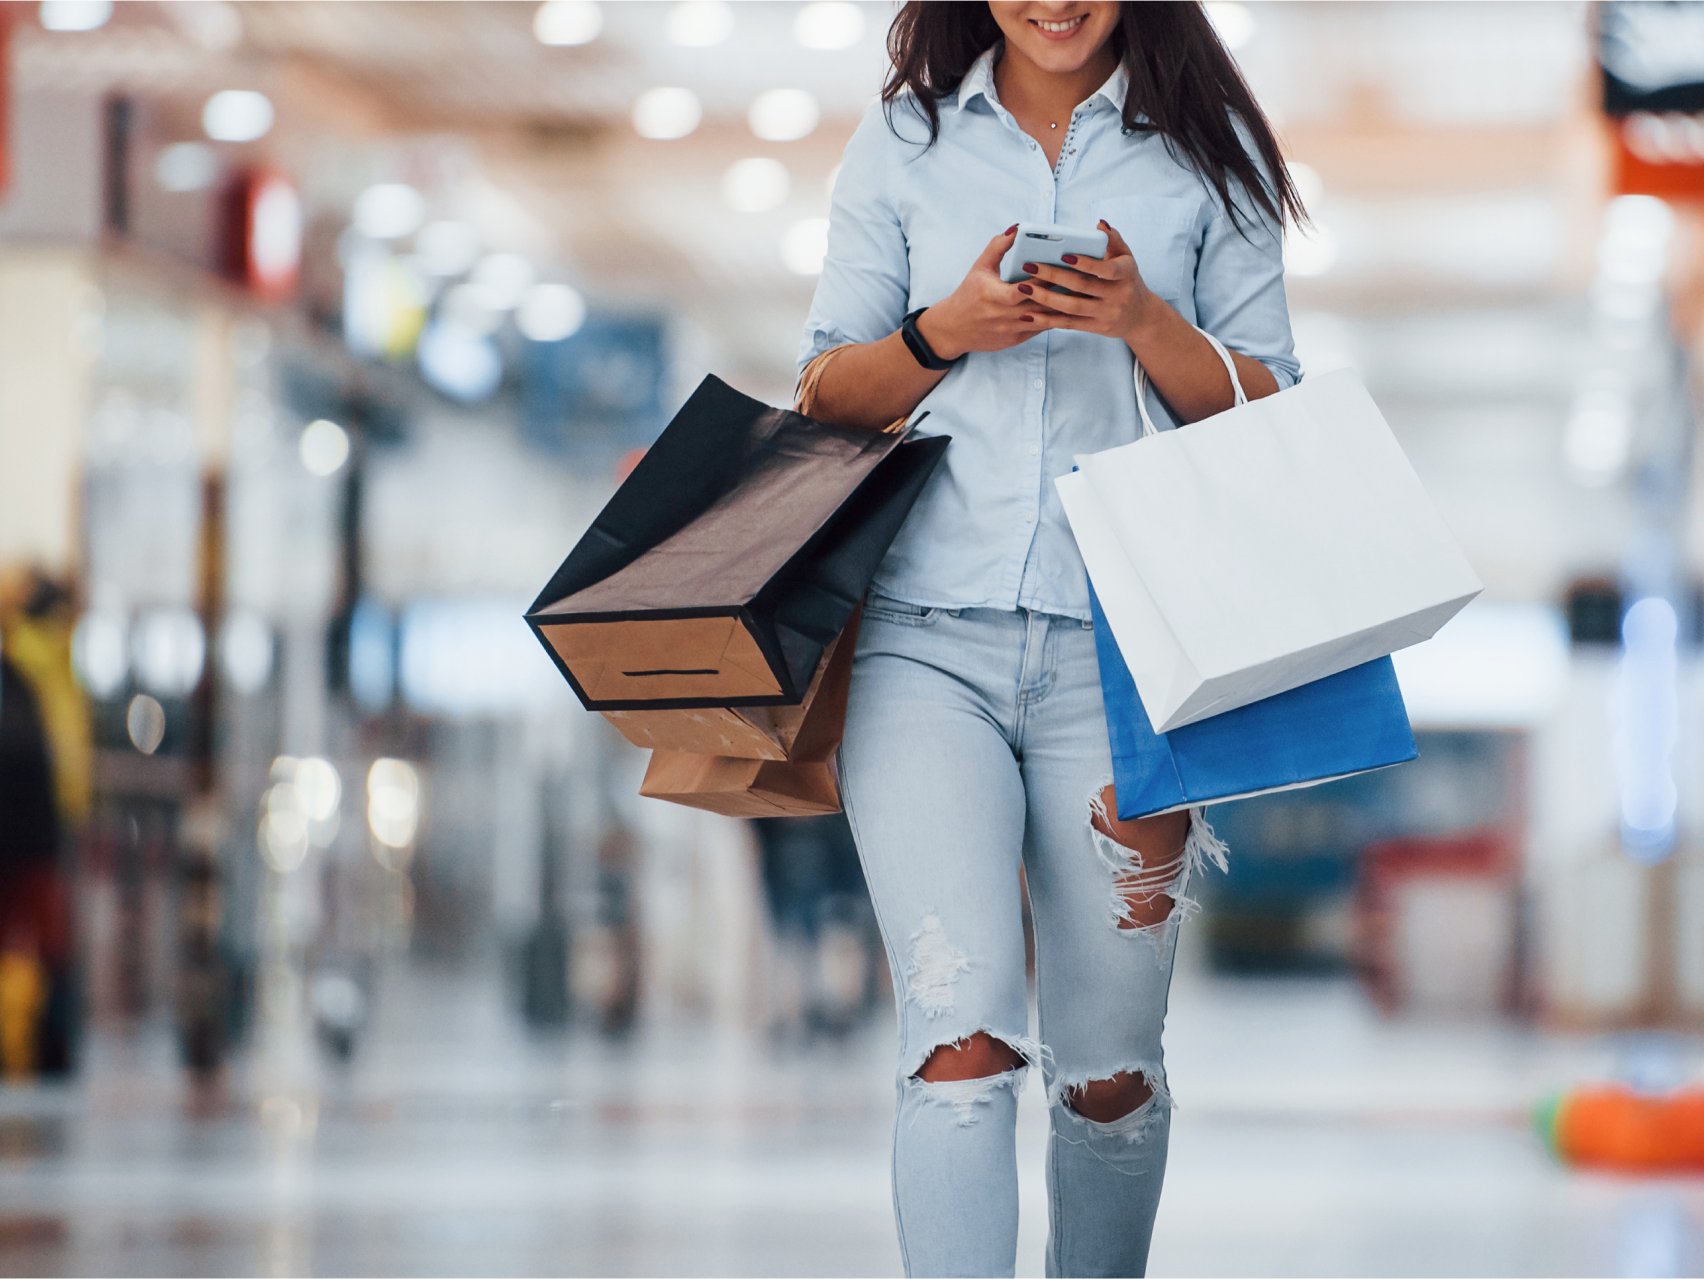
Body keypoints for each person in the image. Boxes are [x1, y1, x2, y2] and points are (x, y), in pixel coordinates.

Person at [796, 1, 1304, 1274]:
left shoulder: (1205, 148)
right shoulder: (904, 142)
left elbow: (1273, 407)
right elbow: (820, 395)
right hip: (922, 648)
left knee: (1111, 1070)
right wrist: (939, 336)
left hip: (1130, 660)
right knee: (956, 1033)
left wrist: (1145, 324)